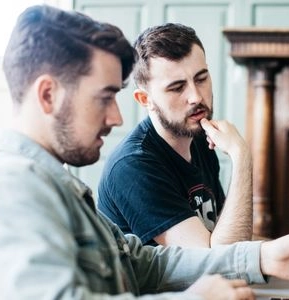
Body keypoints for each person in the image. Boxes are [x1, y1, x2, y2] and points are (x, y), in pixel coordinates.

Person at [0, 5, 289, 299]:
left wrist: (266, 256)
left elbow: (142, 265)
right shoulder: (8, 192)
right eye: (104, 97)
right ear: (48, 95)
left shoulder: (53, 184)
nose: (116, 117)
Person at [97, 23, 253, 247]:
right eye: (177, 87)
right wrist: (241, 156)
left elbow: (226, 234)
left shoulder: (199, 139)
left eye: (201, 78)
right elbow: (220, 261)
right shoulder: (133, 165)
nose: (196, 97)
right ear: (145, 100)